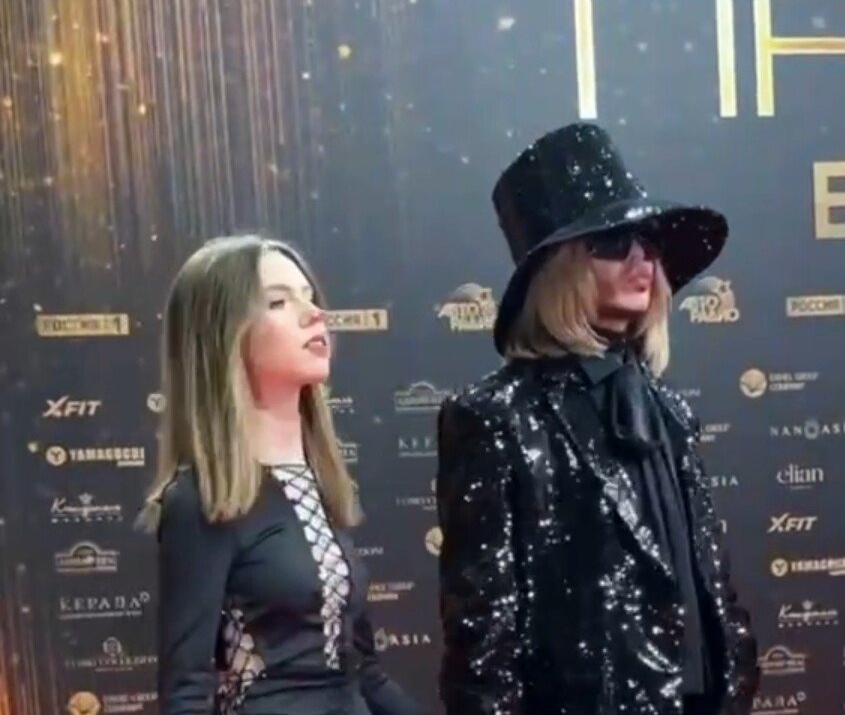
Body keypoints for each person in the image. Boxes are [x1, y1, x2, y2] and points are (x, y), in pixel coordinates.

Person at [436, 124, 759, 715]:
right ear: (560, 268)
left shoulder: (669, 410)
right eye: (613, 242)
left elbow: (712, 582)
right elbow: (483, 634)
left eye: (649, 241)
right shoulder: (494, 417)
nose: (642, 259)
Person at [141, 234, 421, 715]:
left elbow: (365, 673)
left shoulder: (319, 484)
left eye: (309, 296)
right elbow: (185, 691)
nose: (314, 314)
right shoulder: (203, 499)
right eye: (278, 302)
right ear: (223, 336)